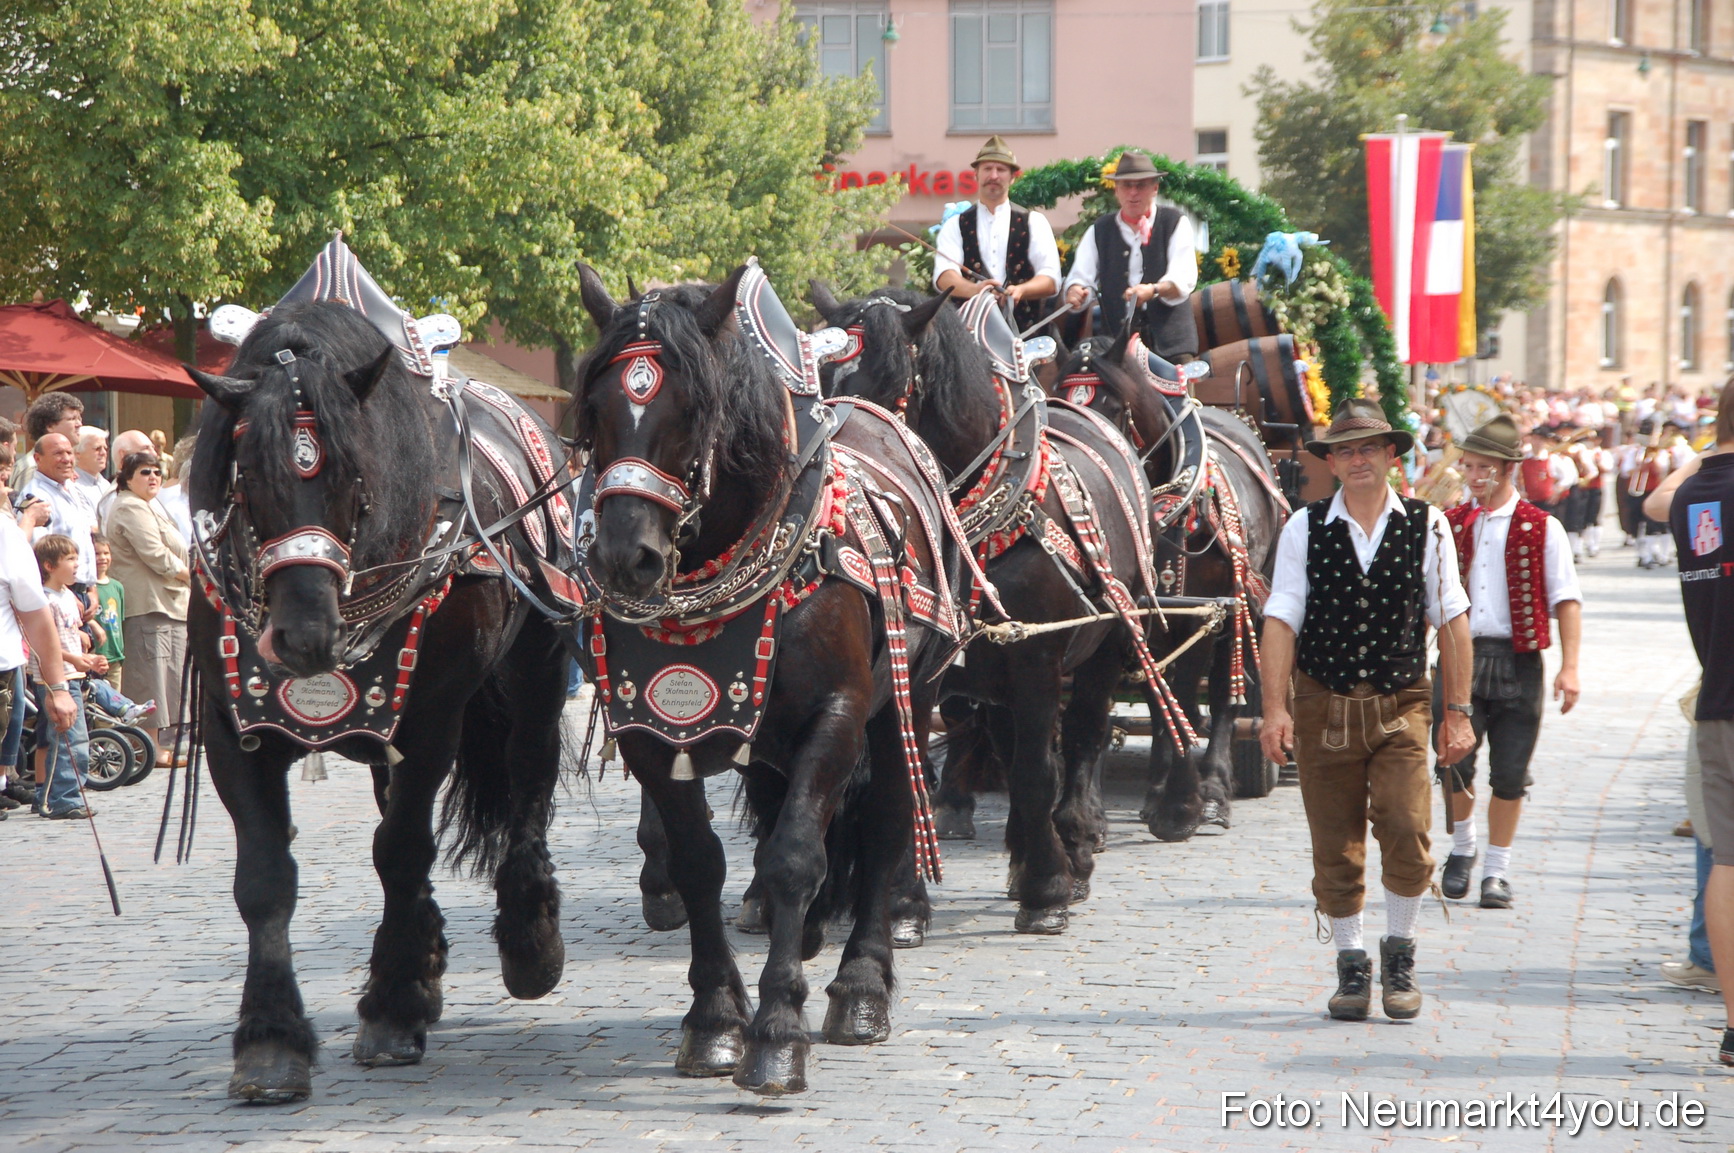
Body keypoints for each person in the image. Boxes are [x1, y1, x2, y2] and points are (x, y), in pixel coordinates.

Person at [1261, 398, 1475, 1022]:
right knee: (1336, 842)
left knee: (1407, 827)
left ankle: (1400, 954)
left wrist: (1456, 712)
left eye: (1367, 449)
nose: (1356, 460)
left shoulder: (1426, 524)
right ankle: (1353, 967)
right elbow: (1281, 620)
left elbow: (1453, 620)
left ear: (1390, 455)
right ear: (1331, 461)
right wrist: (1275, 709)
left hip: (1401, 701)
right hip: (1322, 701)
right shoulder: (1303, 527)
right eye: (1344, 450)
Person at [1435, 415, 1583, 910]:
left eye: (1482, 467)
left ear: (1506, 470)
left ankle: (1496, 870)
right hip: (1459, 658)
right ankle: (1462, 849)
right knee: (1454, 761)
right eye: (1468, 466)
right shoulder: (1450, 524)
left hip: (1518, 660)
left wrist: (1570, 666)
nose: (1472, 475)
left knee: (1511, 772)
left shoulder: (1544, 527)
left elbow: (1566, 599)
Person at [1663, 374, 1734, 1065]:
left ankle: (1733, 1023)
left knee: (1725, 860)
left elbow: (1656, 498)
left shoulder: (1690, 495)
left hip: (1715, 695)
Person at [1063, 150, 1200, 361]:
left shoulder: (1174, 222)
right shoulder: (1100, 229)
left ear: (1155, 188)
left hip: (1171, 347)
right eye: (1126, 185)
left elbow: (1183, 278)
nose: (1133, 192)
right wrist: (1076, 291)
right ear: (1116, 190)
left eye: (1141, 185)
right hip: (1118, 347)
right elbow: (1081, 277)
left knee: (1180, 392)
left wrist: (1153, 290)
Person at [931, 135, 1062, 333]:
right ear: (976, 174)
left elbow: (1051, 280)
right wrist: (977, 290)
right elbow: (944, 277)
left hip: (1026, 333)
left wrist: (1020, 291)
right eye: (987, 169)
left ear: (1012, 176)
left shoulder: (1034, 222)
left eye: (1000, 170)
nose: (993, 176)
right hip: (968, 335)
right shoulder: (955, 225)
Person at [106, 451, 188, 765]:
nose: (153, 477)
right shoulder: (129, 505)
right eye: (144, 472)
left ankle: (158, 746)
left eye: (156, 471)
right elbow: (155, 554)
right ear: (127, 478)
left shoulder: (150, 504)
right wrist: (190, 575)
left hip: (167, 601)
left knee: (166, 676)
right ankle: (147, 748)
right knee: (148, 676)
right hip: (146, 602)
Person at [29, 535, 99, 818]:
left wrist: (89, 656)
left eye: (76, 558)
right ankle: (64, 798)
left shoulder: (68, 595)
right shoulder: (44, 599)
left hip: (73, 675)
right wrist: (74, 659)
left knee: (66, 738)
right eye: (69, 559)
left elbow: (72, 632)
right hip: (55, 679)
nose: (76, 565)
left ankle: (55, 794)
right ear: (49, 565)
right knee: (70, 739)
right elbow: (48, 643)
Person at [21, 432, 99, 589]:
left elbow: (85, 542)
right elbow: (40, 554)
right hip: (59, 591)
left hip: (82, 588)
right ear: (38, 458)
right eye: (58, 453)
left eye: (69, 453)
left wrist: (92, 588)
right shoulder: (36, 496)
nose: (66, 459)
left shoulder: (72, 488)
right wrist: (64, 592)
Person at [13, 393, 85, 493]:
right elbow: (25, 506)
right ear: (50, 426)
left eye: (79, 419)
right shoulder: (33, 467)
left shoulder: (62, 464)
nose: (79, 424)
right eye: (72, 419)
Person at [90, 534, 126, 690]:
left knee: (116, 701)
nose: (102, 558)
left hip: (115, 657)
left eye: (106, 553)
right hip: (94, 658)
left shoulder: (117, 587)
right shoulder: (87, 588)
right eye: (97, 554)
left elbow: (120, 622)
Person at [97, 429, 154, 527]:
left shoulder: (149, 492)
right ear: (123, 455)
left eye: (153, 448)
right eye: (146, 448)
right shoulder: (116, 498)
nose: (154, 454)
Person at [73, 425, 112, 508]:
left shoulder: (105, 484)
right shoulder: (72, 486)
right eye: (97, 448)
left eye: (105, 448)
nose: (103, 453)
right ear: (77, 454)